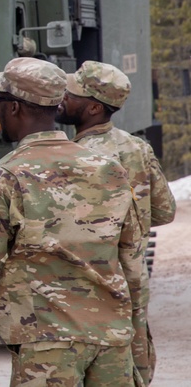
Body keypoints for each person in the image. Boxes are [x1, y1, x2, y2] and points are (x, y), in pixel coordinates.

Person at [0, 57, 144, 386]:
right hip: (111, 337)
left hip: (46, 340)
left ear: (13, 108)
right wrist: (135, 333)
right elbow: (131, 258)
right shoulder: (108, 169)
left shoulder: (7, 175)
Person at [57, 60, 177, 385]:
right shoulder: (138, 148)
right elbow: (166, 211)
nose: (62, 97)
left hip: (90, 290)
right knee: (135, 374)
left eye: (72, 93)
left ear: (94, 107)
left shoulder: (72, 157)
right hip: (133, 283)